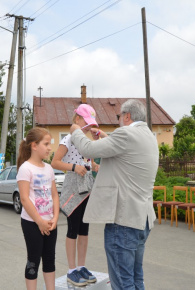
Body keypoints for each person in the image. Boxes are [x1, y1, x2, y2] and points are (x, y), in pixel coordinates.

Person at [70, 99, 159, 290]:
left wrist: (76, 130)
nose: (118, 119)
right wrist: (106, 136)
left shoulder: (125, 134)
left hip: (123, 221)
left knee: (122, 283)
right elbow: (125, 153)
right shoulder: (149, 136)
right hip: (141, 219)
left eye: (119, 116)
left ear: (127, 116)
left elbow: (87, 149)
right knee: (136, 279)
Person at [51, 104, 99, 287]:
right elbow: (55, 162)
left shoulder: (86, 142)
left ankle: (81, 266)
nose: (87, 127)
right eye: (85, 122)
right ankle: (71, 270)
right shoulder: (68, 140)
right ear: (77, 119)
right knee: (73, 228)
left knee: (84, 229)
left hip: (86, 185)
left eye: (90, 124)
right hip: (72, 185)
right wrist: (73, 167)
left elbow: (91, 161)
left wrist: (94, 165)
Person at [16, 127, 60, 290]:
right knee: (34, 260)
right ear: (34, 145)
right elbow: (25, 199)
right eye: (46, 144)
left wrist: (55, 219)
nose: (49, 148)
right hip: (32, 223)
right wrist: (39, 221)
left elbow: (55, 195)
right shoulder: (25, 169)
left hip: (50, 223)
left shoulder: (48, 168)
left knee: (50, 259)